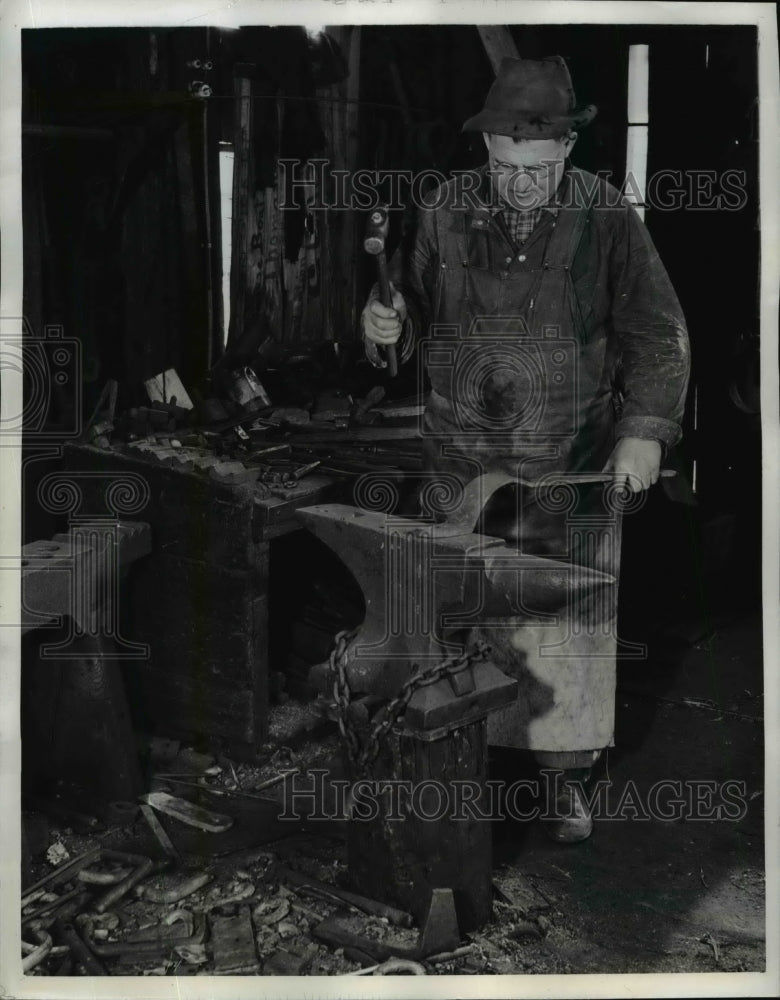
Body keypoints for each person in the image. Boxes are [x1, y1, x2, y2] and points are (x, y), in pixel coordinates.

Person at [360, 56, 690, 842]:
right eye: (505, 167)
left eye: (538, 170)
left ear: (567, 152)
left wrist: (643, 430)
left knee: (565, 632)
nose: (519, 184)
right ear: (487, 151)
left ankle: (561, 780)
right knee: (457, 625)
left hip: (563, 460)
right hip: (459, 461)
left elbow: (659, 335)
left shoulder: (608, 219)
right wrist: (380, 329)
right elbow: (399, 321)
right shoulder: (442, 210)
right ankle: (455, 773)